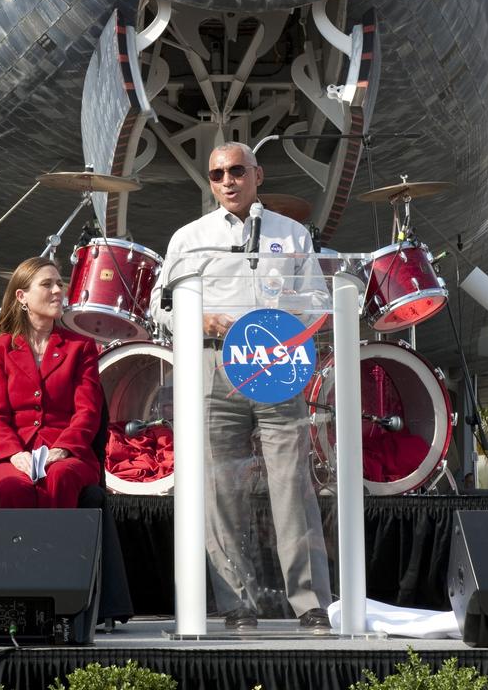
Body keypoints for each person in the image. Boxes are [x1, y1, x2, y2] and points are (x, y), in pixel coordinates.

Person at [150, 141, 333, 632]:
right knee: (218, 489)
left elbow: (317, 301)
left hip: (275, 363)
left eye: (236, 170)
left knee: (291, 483)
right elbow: (158, 307)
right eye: (216, 174)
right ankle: (237, 603)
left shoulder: (292, 234)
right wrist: (198, 317)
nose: (227, 181)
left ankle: (311, 602)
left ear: (258, 175)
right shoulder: (190, 238)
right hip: (214, 366)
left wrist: (282, 323)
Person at [0, 256, 104, 507]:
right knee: (12, 487)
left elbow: (88, 412)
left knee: (60, 476)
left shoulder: (81, 347)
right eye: (47, 284)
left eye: (59, 283)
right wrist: (14, 454)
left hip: (69, 454)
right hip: (10, 455)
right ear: (22, 297)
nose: (58, 290)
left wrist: (63, 449)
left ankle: (60, 547)